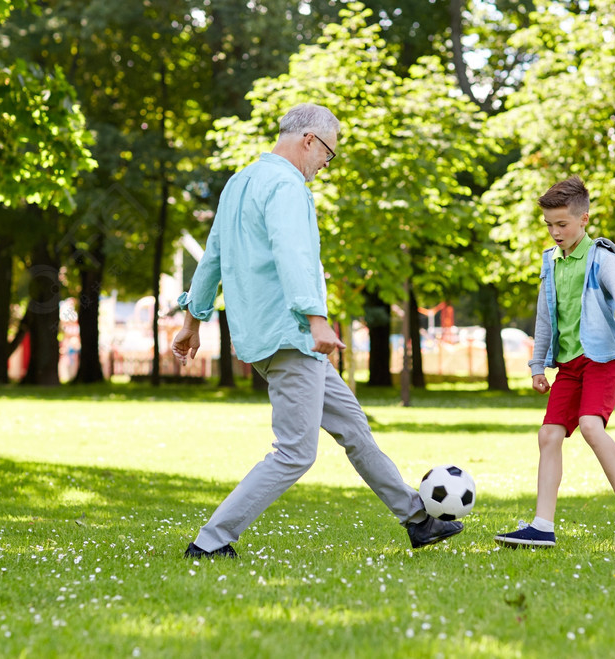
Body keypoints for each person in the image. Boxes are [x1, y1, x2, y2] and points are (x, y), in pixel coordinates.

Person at [171, 103, 462, 559]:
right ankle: (210, 542)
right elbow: (293, 255)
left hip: (270, 334)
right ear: (308, 139)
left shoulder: (240, 182)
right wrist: (316, 319)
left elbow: (212, 257)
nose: (326, 165)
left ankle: (416, 520)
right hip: (291, 333)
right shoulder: (286, 186)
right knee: (295, 453)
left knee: (354, 430)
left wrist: (193, 320)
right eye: (328, 153)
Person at [494, 175, 615, 549]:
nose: (554, 232)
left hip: (601, 360)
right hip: (569, 365)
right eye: (549, 225)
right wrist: (536, 365)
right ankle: (542, 526)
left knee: (591, 426)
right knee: (548, 435)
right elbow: (546, 316)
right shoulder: (551, 262)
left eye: (561, 224)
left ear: (583, 218)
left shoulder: (601, 257)